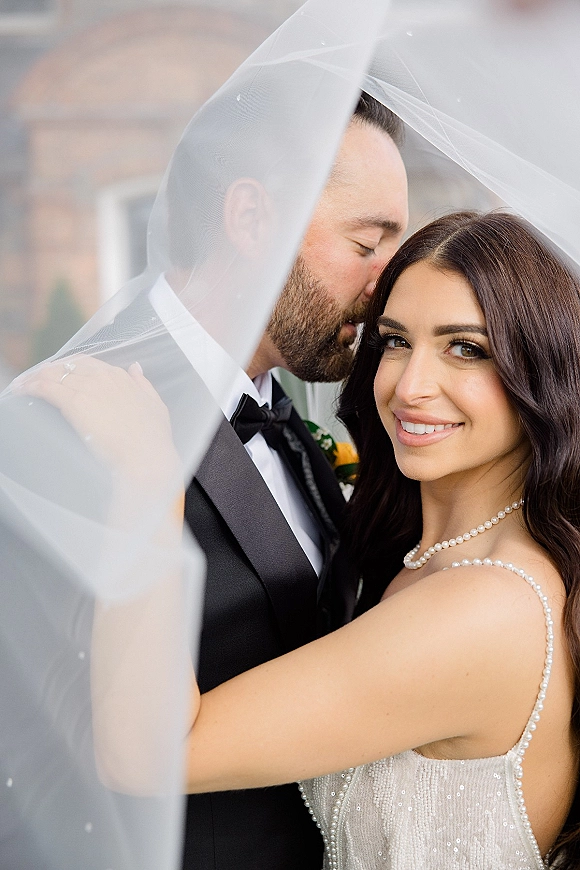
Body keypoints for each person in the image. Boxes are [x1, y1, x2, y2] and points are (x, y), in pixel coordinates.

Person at [24, 210, 580, 869]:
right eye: (397, 341)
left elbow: (146, 757)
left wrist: (149, 481)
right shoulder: (443, 565)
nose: (410, 386)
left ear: (540, 372)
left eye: (466, 348)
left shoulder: (485, 608)